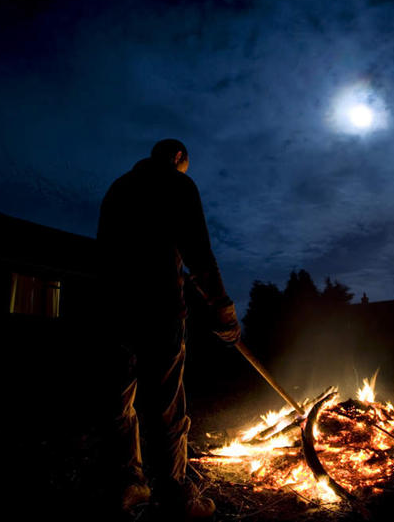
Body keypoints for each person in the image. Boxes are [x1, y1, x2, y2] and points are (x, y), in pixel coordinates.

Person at [97, 138, 241, 519]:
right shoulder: (177, 184)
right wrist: (222, 307)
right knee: (164, 403)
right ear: (178, 157)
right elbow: (197, 251)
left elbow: (105, 251)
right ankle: (174, 495)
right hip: (158, 308)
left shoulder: (118, 188)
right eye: (186, 164)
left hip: (113, 307)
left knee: (117, 400)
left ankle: (128, 483)